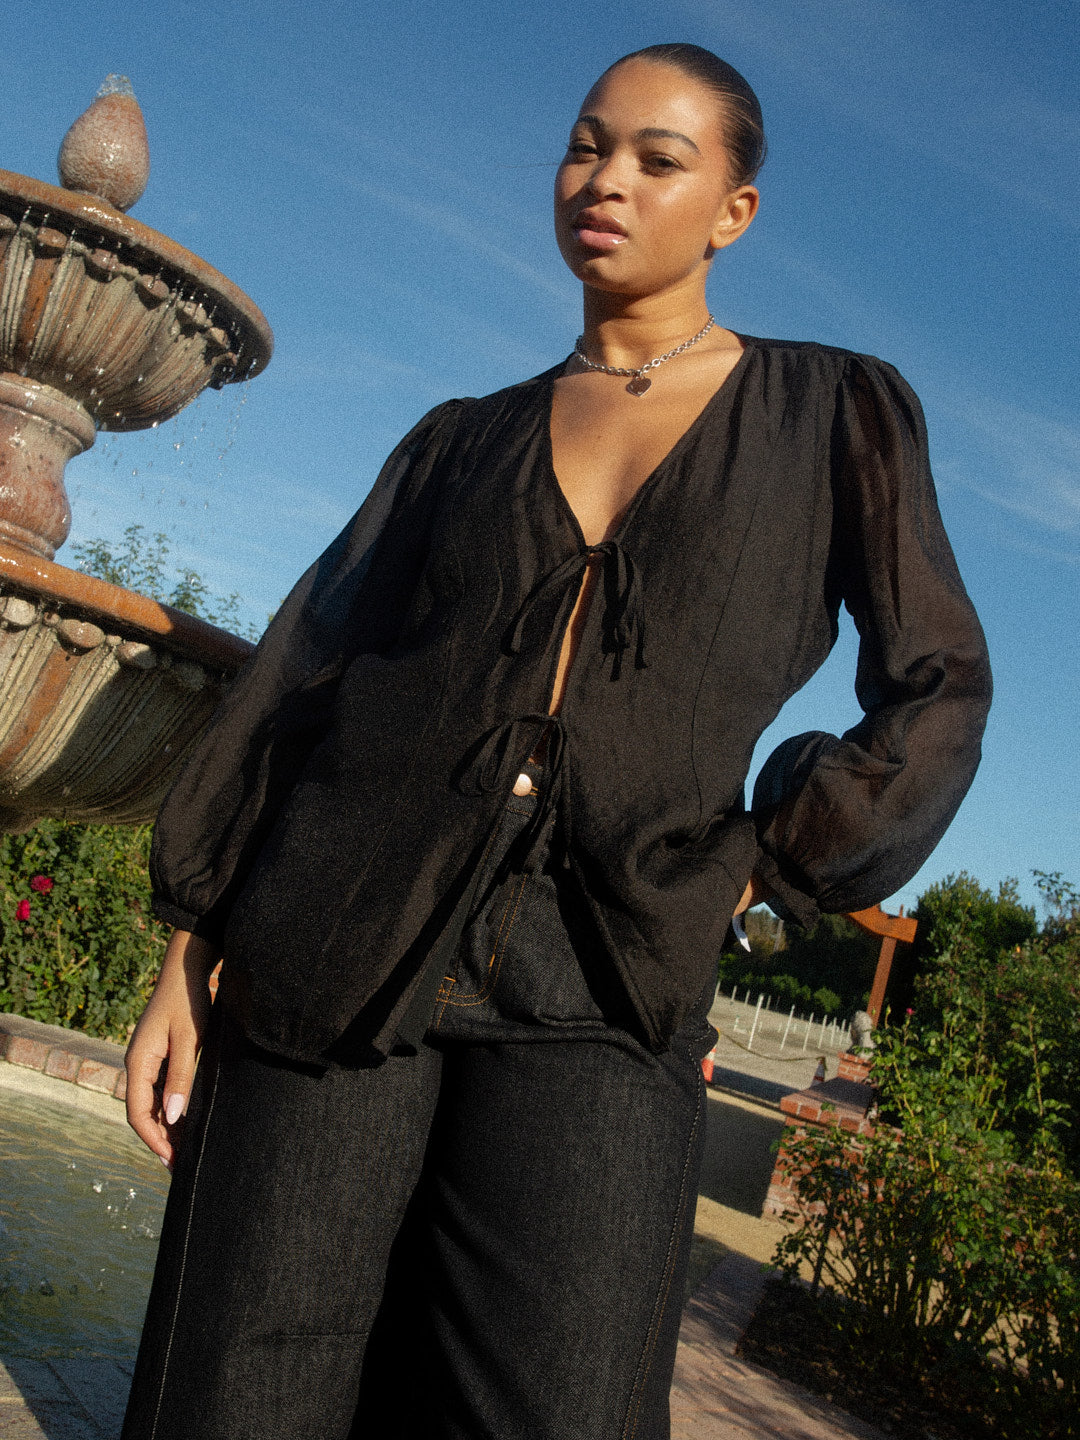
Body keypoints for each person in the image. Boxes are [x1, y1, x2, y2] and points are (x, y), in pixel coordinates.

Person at [121, 43, 991, 1440]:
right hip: (342, 932)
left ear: (733, 211)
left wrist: (773, 857)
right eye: (588, 145)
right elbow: (304, 676)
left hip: (610, 976)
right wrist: (191, 941)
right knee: (246, 1378)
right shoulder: (461, 441)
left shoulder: (832, 410)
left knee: (562, 1402)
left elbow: (939, 680)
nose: (606, 180)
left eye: (658, 158)